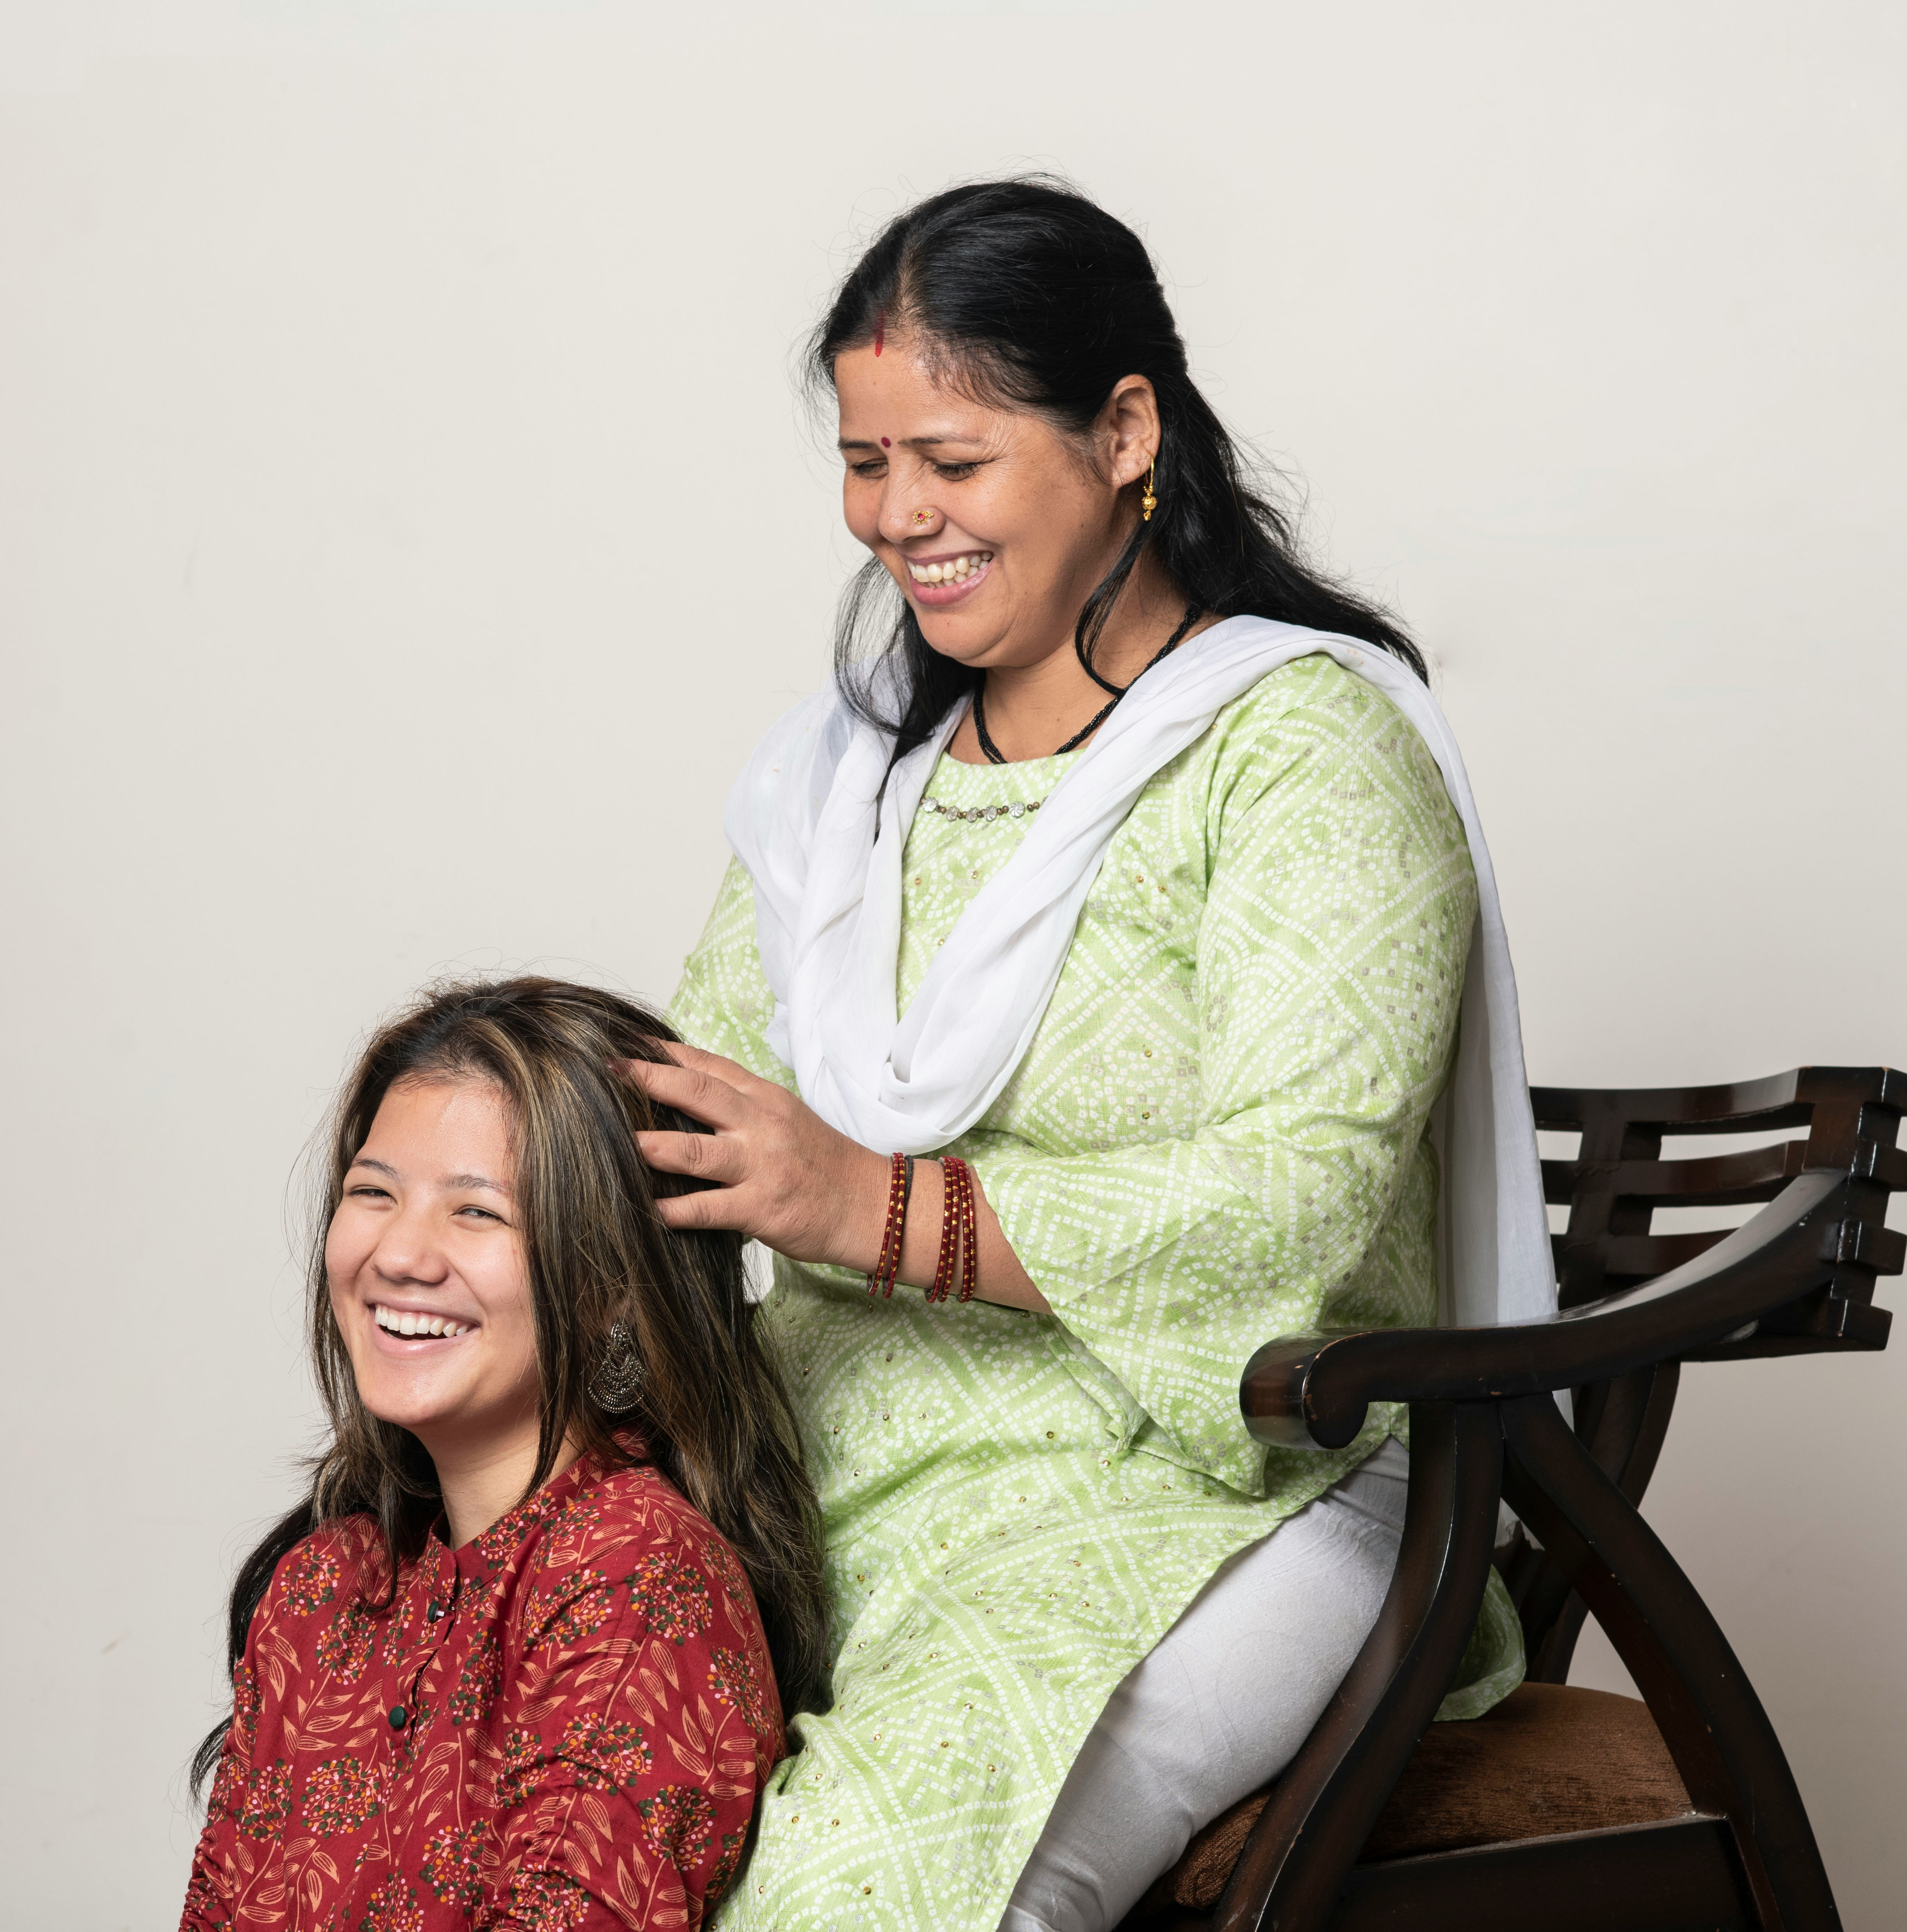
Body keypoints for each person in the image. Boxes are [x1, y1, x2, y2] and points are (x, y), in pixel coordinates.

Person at [634, 179, 1551, 1932]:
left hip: (1214, 1488)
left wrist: (870, 1206)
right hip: (820, 1479)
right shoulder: (845, 793)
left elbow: (1298, 1206)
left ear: (1125, 431)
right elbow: (690, 1117)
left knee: (868, 1882)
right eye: (863, 460)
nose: (898, 517)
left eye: (952, 460)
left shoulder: (1297, 751)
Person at [181, 978, 831, 1930]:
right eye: (373, 1192)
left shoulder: (638, 1575)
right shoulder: (319, 1589)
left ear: (610, 1289)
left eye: (475, 1211)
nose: (399, 1252)